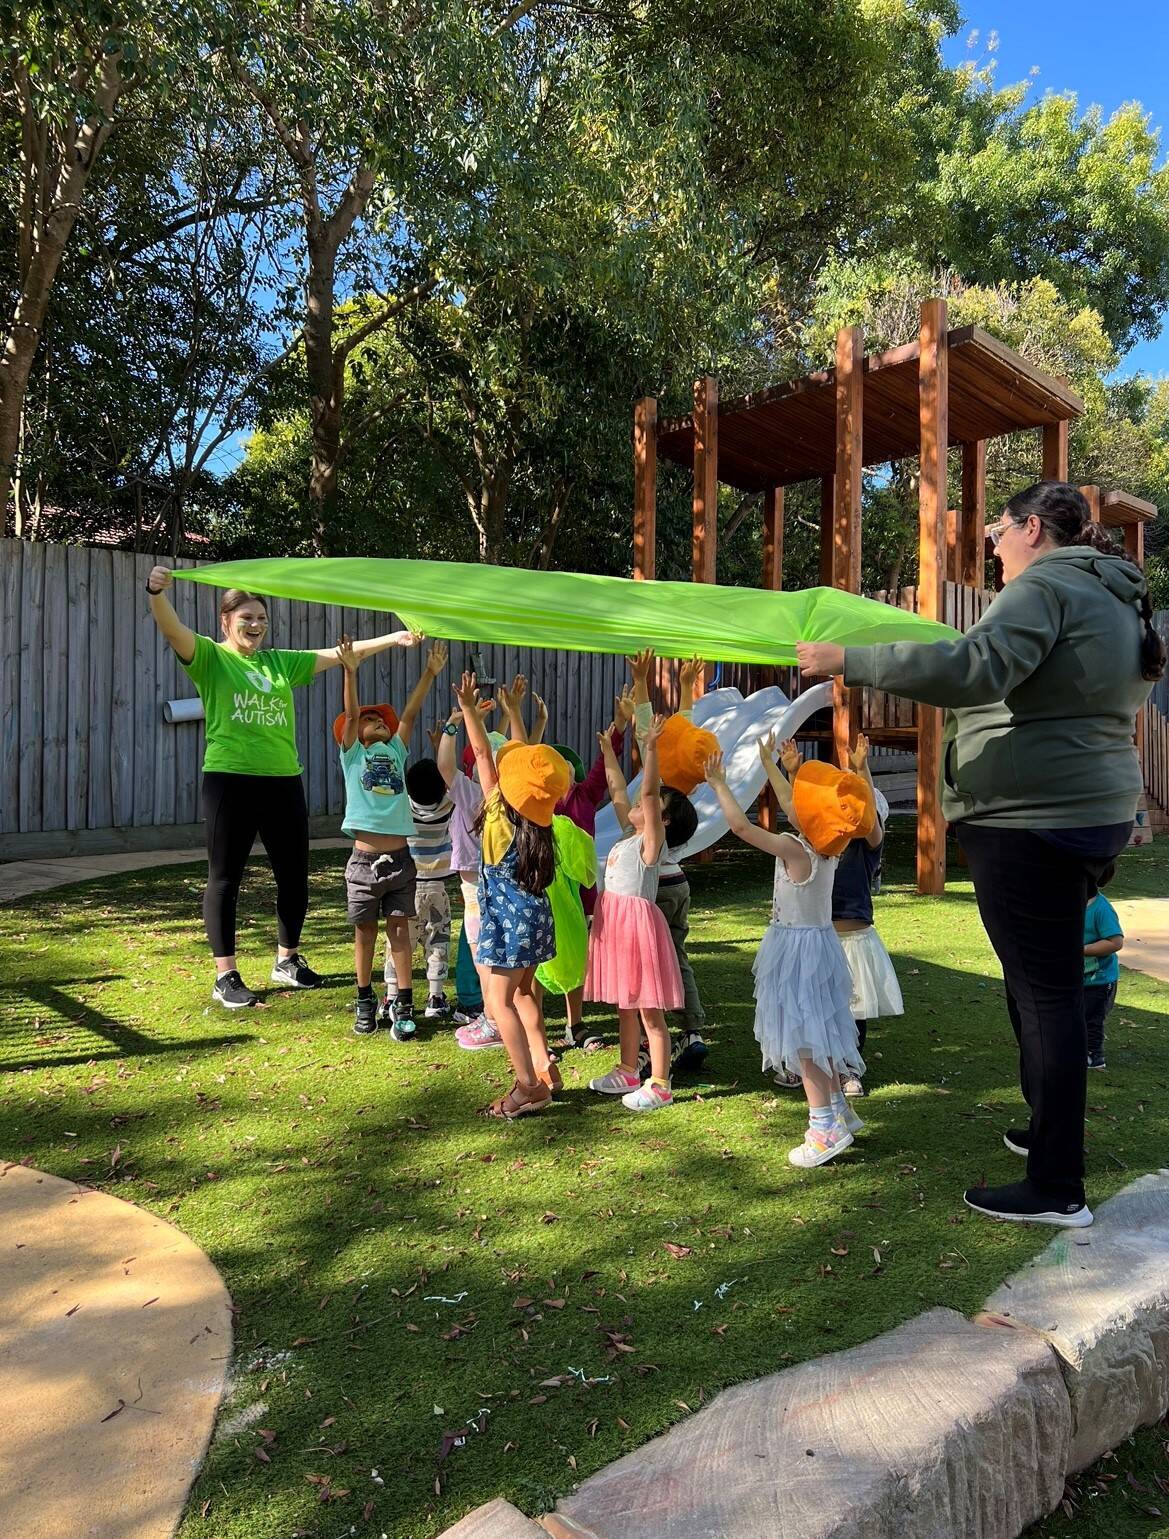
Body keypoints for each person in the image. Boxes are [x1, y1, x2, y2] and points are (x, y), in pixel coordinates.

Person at [797, 480, 1165, 1226]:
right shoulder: (1110, 590)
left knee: (1045, 993)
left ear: (1031, 528)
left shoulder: (1043, 588)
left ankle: (1056, 1185)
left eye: (996, 532)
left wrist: (849, 659)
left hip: (1033, 818)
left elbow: (973, 669)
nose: (991, 548)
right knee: (1040, 982)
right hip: (1089, 809)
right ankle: (1043, 1131)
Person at [145, 564, 421, 1007]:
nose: (255, 626)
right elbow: (172, 628)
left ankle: (287, 959)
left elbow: (340, 654)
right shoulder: (211, 658)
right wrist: (156, 593)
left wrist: (394, 638)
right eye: (246, 619)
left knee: (293, 876)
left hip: (283, 782)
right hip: (230, 782)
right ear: (225, 622)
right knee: (225, 878)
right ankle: (226, 975)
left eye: (261, 619)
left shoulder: (279, 663)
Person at [705, 739, 874, 1166]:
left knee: (804, 1041)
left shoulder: (795, 848)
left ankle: (823, 1128)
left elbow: (742, 829)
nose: (791, 802)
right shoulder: (828, 846)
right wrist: (774, 766)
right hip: (819, 946)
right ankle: (838, 1110)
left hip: (795, 950)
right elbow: (797, 806)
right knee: (824, 1033)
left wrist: (719, 784)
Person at [457, 671, 571, 1118]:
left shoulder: (500, 816)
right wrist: (514, 714)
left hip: (510, 922)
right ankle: (545, 1068)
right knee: (523, 994)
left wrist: (469, 710)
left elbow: (486, 752)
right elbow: (527, 767)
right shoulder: (539, 818)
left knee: (497, 1001)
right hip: (536, 918)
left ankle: (528, 1087)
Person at [336, 636, 446, 1039]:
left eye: (381, 718)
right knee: (364, 932)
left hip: (401, 860)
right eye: (370, 720)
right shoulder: (353, 755)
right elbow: (350, 714)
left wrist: (429, 673)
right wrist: (350, 670)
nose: (378, 721)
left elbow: (412, 713)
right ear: (354, 734)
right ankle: (365, 999)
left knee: (400, 931)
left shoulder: (396, 751)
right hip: (364, 863)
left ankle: (403, 1001)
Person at [585, 714, 688, 1112]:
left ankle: (660, 1082)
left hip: (637, 930)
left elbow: (646, 793)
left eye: (653, 803)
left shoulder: (650, 843)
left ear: (661, 820)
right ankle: (629, 1068)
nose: (639, 801)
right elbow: (617, 791)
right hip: (615, 924)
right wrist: (610, 749)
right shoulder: (631, 837)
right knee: (625, 1003)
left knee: (649, 1009)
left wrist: (651, 748)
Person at [628, 649, 708, 1073]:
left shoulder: (658, 793)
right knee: (678, 954)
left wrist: (643, 681)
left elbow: (650, 733)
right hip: (680, 884)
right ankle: (693, 1030)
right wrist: (683, 689)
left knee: (648, 964)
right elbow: (684, 732)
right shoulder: (686, 789)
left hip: (655, 889)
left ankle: (648, 1040)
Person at [547, 687, 634, 1052]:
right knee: (540, 960)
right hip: (547, 891)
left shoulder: (584, 795)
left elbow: (605, 764)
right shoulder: (540, 806)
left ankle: (575, 1024)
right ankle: (536, 1029)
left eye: (564, 766)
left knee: (578, 956)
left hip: (581, 892)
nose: (560, 770)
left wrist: (619, 725)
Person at [826, 733, 903, 1097]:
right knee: (822, 1005)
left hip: (855, 940)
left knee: (855, 1009)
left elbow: (869, 816)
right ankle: (817, 1065)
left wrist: (862, 769)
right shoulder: (826, 841)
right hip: (823, 937)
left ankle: (850, 1069)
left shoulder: (866, 846)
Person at [378, 756, 456, 1024]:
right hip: (436, 887)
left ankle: (391, 996)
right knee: (437, 942)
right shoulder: (447, 808)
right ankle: (435, 997)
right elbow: (450, 781)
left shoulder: (404, 810)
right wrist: (441, 750)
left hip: (406, 888)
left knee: (398, 943)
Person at [1082, 864, 1123, 1073]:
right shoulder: (1068, 906)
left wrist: (1083, 950)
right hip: (1078, 978)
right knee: (1074, 1016)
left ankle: (1094, 1056)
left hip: (1099, 980)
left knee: (1092, 1019)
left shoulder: (1100, 908)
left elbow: (1115, 942)